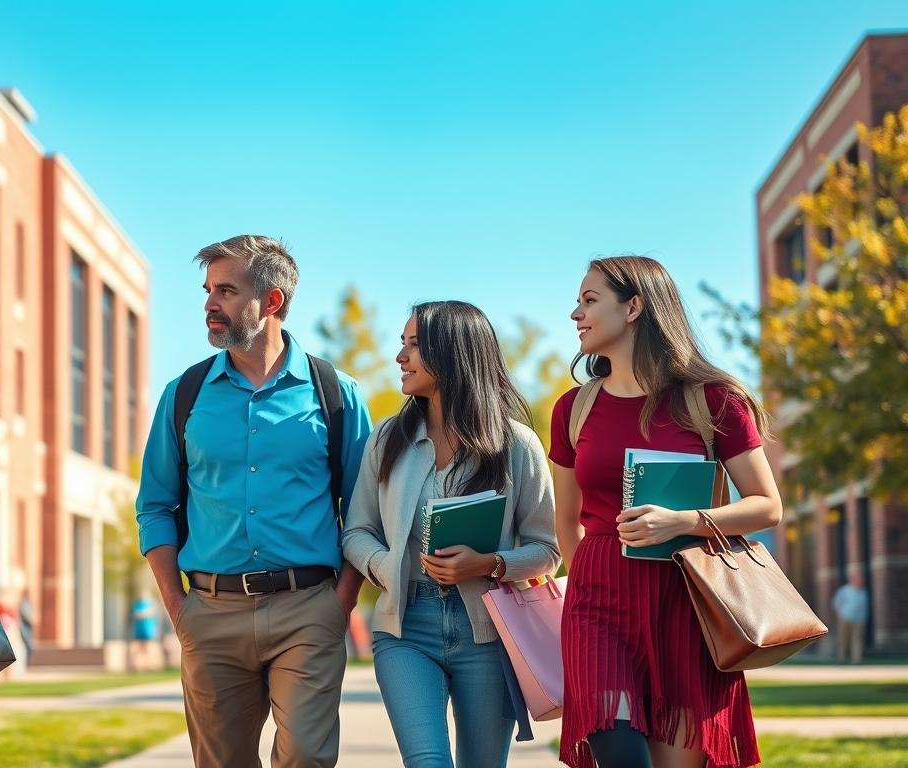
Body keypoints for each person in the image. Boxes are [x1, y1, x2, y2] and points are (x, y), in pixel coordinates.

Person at [136, 235, 373, 767]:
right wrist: (178, 607)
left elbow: (363, 510)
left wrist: (341, 603)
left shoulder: (336, 392)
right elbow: (154, 506)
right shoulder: (184, 394)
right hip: (211, 613)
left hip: (309, 608)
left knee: (307, 757)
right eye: (207, 290)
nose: (209, 304)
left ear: (272, 302)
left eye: (225, 290)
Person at [551, 256, 782, 768]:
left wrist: (684, 522)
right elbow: (565, 519)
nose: (575, 314)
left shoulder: (715, 400)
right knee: (618, 753)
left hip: (685, 603)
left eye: (589, 301)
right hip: (596, 604)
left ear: (634, 307)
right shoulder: (573, 408)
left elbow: (767, 505)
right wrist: (586, 578)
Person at [342, 301, 559, 768]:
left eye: (414, 344)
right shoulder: (386, 439)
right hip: (404, 628)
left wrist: (489, 564)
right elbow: (356, 530)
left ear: (455, 351)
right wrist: (387, 566)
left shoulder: (516, 444)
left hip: (487, 631)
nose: (400, 356)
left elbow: (547, 551)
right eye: (401, 344)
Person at [833, 574, 869, 664]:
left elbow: (864, 607)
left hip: (859, 620)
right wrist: (840, 616)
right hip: (845, 619)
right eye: (859, 580)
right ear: (853, 580)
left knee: (857, 640)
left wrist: (863, 618)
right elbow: (837, 603)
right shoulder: (844, 591)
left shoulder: (863, 592)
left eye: (861, 580)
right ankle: (841, 658)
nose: (861, 582)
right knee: (843, 639)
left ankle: (856, 659)